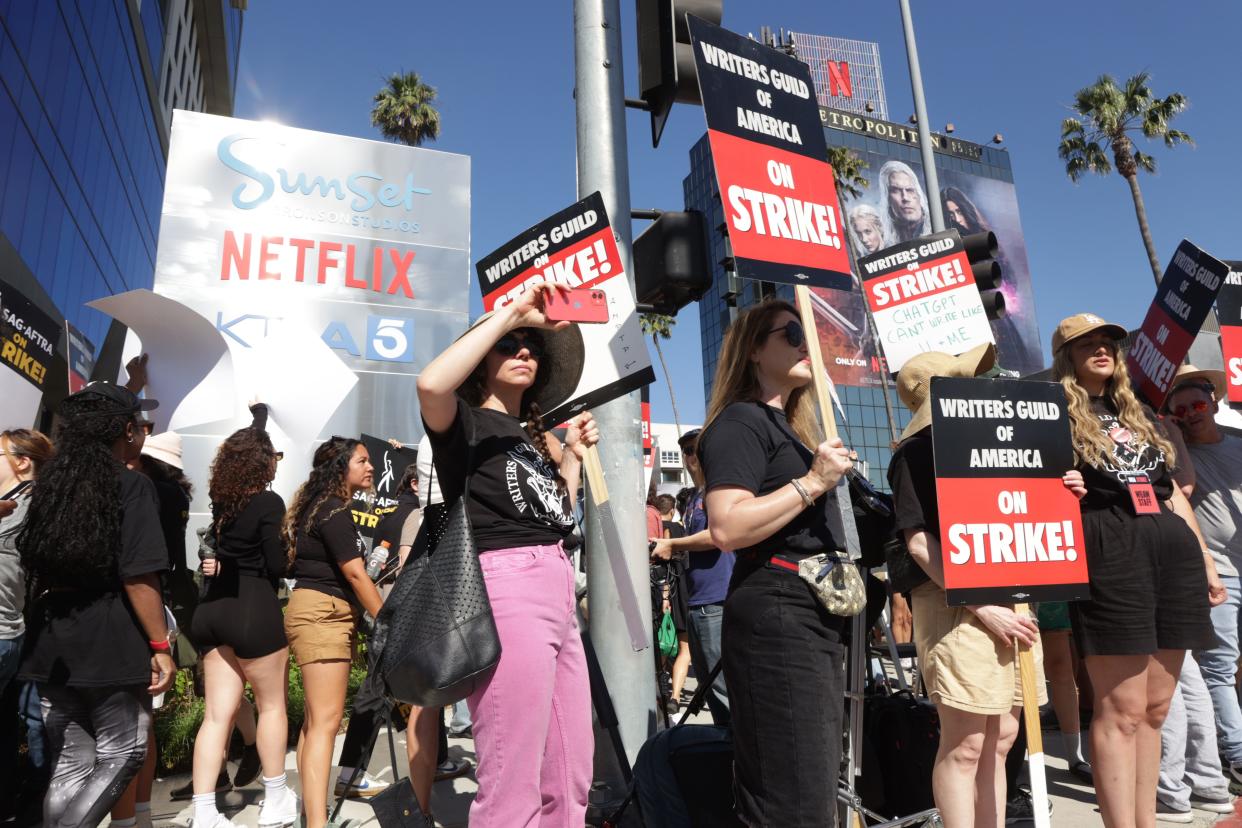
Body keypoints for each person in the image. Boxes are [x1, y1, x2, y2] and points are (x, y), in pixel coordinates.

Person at [416, 281, 596, 827]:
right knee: (511, 777)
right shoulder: (465, 425)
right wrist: (512, 315)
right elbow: (429, 383)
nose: (525, 352)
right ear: (482, 358)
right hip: (506, 586)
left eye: (533, 347)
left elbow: (556, 518)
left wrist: (571, 463)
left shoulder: (529, 438)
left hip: (556, 585)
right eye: (510, 345)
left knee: (572, 771)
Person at [1050, 313, 1223, 827]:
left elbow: (1172, 494)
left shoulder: (1141, 412)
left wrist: (1206, 559)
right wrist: (1062, 491)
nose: (1102, 349)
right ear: (1067, 356)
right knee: (1121, 708)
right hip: (1111, 546)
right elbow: (1030, 487)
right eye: (1088, 344)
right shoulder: (1052, 412)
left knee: (1155, 709)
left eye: (1109, 342)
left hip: (1171, 550)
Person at [696, 299, 854, 825]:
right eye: (792, 332)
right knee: (795, 801)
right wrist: (812, 482)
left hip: (808, 616)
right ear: (754, 351)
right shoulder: (741, 421)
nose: (807, 343)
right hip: (779, 616)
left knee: (810, 789)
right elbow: (727, 526)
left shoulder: (790, 429)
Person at [888, 345, 1058, 827]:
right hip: (956, 608)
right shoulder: (916, 454)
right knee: (965, 745)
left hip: (1009, 604)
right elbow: (920, 545)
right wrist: (983, 605)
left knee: (1002, 737)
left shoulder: (1001, 447)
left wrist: (1065, 487)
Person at [16, 383, 176, 826]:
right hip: (110, 638)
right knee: (124, 753)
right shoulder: (131, 486)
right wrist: (161, 647)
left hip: (52, 640)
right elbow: (139, 575)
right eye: (140, 424)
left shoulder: (49, 487)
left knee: (71, 762)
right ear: (126, 430)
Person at [187, 405, 296, 828]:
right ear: (262, 463)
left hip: (213, 609)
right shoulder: (269, 501)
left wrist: (258, 420)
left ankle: (203, 812)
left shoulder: (221, 503)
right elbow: (275, 564)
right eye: (272, 457)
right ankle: (274, 799)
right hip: (253, 608)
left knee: (217, 716)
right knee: (271, 708)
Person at [284, 437, 384, 828]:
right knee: (326, 723)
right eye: (362, 460)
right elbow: (355, 573)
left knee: (315, 723)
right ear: (340, 467)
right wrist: (386, 620)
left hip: (317, 611)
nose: (371, 466)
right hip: (323, 614)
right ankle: (317, 823)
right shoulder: (333, 510)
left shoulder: (322, 506)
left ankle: (314, 817)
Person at [113, 428, 199, 828]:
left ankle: (128, 818)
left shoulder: (142, 494)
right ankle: (140, 814)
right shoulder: (176, 496)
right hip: (163, 605)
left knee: (129, 725)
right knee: (143, 722)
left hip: (142, 608)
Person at [650, 429, 732, 726]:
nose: (689, 456)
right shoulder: (696, 495)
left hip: (715, 599)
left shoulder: (716, 491)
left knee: (721, 689)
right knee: (710, 688)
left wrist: (672, 544)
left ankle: (734, 759)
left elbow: (717, 536)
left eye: (695, 448)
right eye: (684, 450)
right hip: (697, 600)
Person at [0, 429, 52, 820]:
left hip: (14, 631)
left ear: (21, 462)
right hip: (20, 630)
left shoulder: (27, 505)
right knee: (18, 721)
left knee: (30, 718)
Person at [878, 160, 930, 243]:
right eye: (896, 190)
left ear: (919, 194)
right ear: (887, 198)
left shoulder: (939, 227)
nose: (905, 197)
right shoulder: (884, 240)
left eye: (910, 190)